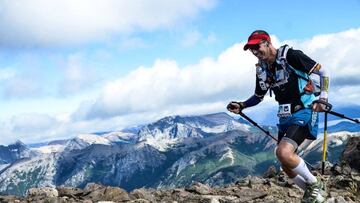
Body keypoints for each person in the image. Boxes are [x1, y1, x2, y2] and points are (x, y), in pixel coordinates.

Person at [227, 30, 330, 203]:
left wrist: (323, 99)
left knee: (283, 152)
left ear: (267, 42)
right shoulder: (262, 70)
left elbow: (324, 71)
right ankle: (315, 195)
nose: (254, 52)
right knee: (286, 165)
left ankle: (315, 183)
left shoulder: (291, 56)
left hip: (304, 110)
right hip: (284, 117)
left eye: (257, 47)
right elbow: (258, 96)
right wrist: (242, 105)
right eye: (251, 49)